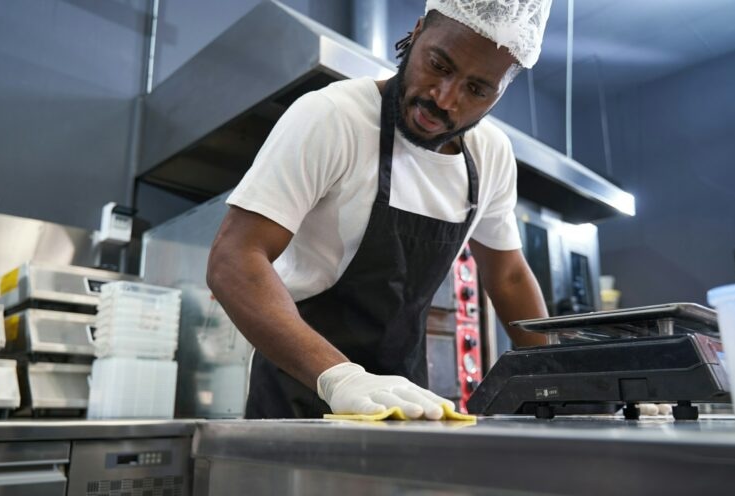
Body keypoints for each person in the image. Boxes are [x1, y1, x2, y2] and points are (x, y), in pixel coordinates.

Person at [207, 0, 553, 420]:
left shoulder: (491, 155)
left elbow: (509, 275)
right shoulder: (334, 118)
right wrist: (342, 379)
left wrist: (558, 378)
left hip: (405, 400)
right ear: (418, 31)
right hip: (300, 389)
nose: (445, 99)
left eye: (477, 89)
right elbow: (234, 259)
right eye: (439, 65)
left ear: (499, 94)